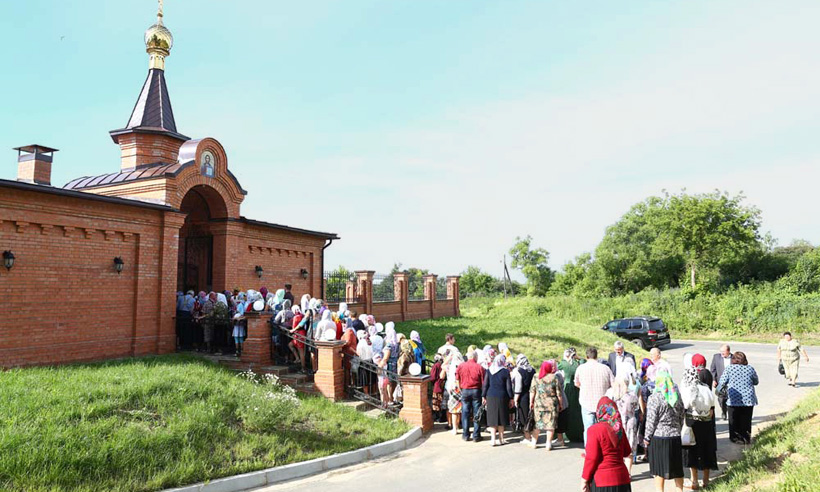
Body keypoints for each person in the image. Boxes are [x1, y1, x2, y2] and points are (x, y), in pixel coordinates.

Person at [644, 371, 685, 492]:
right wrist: (678, 428)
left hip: (659, 438)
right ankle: (680, 490)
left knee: (659, 470)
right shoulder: (676, 396)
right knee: (677, 469)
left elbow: (651, 420)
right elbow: (682, 415)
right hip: (675, 436)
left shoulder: (654, 398)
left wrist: (647, 437)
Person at [581, 397, 633, 492]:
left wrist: (584, 479)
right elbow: (627, 452)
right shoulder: (619, 429)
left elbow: (592, 458)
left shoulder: (594, 430)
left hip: (602, 480)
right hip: (622, 479)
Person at [681, 366, 718, 490]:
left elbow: (684, 407)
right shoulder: (706, 388)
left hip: (692, 424)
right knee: (706, 450)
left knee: (692, 451)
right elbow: (712, 409)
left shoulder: (688, 390)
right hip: (706, 424)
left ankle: (695, 481)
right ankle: (706, 480)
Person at [575, 347, 615, 446]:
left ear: (587, 356)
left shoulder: (581, 368)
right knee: (604, 428)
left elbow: (577, 383)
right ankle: (603, 449)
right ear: (597, 356)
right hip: (602, 403)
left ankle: (590, 450)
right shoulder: (605, 368)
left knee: (589, 429)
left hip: (586, 401)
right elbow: (613, 384)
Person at [716, 351, 758, 445]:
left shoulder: (729, 368)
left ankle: (735, 438)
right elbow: (756, 381)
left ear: (733, 360)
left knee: (733, 419)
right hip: (748, 398)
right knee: (746, 419)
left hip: (733, 397)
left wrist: (718, 391)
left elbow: (722, 382)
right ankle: (746, 438)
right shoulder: (750, 368)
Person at [606, 376, 639, 475]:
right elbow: (636, 407)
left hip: (616, 423)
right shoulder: (632, 394)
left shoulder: (611, 394)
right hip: (630, 422)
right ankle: (628, 472)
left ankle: (619, 471)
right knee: (629, 447)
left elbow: (607, 408)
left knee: (617, 447)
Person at [530, 359, 564, 451]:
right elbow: (559, 393)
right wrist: (561, 404)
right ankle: (548, 444)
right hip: (552, 404)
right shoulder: (554, 377)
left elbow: (532, 391)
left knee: (538, 423)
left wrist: (531, 402)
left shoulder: (536, 377)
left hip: (539, 404)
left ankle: (534, 442)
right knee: (550, 425)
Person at [483, 354, 513, 446]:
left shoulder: (489, 370)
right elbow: (508, 387)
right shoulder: (505, 372)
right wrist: (511, 398)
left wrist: (483, 396)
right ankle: (501, 439)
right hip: (502, 396)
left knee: (492, 418)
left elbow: (485, 385)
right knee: (502, 418)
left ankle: (493, 439)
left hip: (491, 396)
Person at [456, 349, 485, 442]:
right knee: (477, 413)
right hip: (476, 390)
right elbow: (483, 382)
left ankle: (465, 434)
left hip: (465, 390)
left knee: (465, 413)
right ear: (475, 357)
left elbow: (457, 379)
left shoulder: (461, 366)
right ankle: (476, 435)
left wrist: (460, 389)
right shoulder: (479, 367)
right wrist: (483, 394)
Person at [559, 347, 585, 443]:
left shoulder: (563, 363)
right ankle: (577, 432)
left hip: (567, 387)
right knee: (576, 411)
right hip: (576, 388)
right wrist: (578, 357)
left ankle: (565, 434)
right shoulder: (578, 363)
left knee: (567, 410)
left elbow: (555, 368)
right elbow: (584, 360)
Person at [511, 354, 536, 440]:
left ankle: (527, 437)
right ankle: (533, 436)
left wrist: (515, 399)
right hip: (533, 395)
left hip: (523, 397)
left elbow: (518, 387)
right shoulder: (533, 370)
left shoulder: (519, 371)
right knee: (532, 417)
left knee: (524, 418)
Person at [709, 345, 733, 419]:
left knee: (730, 398)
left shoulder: (734, 358)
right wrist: (713, 379)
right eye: (721, 351)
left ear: (728, 351)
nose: (721, 353)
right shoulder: (716, 357)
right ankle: (724, 410)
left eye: (723, 352)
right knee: (721, 399)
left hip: (731, 382)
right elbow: (712, 369)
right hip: (720, 382)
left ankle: (730, 412)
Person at [445, 350, 464, 435]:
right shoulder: (463, 366)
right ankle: (459, 426)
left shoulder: (450, 367)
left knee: (454, 410)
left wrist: (448, 358)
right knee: (460, 410)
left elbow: (443, 366)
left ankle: (454, 428)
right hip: (462, 388)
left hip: (453, 389)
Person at [430, 353, 446, 423]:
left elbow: (433, 377)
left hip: (437, 386)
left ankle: (438, 417)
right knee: (441, 401)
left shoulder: (436, 366)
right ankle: (442, 416)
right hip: (442, 385)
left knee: (436, 402)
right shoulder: (443, 365)